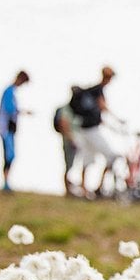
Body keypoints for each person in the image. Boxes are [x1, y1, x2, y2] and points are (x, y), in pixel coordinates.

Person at [70, 66, 121, 198]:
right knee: (111, 156)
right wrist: (118, 119)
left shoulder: (90, 91)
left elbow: (97, 113)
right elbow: (103, 107)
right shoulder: (98, 91)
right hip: (92, 131)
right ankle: (99, 187)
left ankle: (84, 190)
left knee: (86, 160)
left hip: (84, 130)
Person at [0, 71, 30, 191]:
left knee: (10, 155)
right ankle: (5, 183)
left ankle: (6, 182)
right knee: (9, 155)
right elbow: (10, 109)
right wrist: (22, 112)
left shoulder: (12, 92)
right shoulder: (9, 91)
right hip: (6, 129)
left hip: (10, 130)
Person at [52, 89, 80, 196]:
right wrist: (71, 139)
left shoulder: (75, 109)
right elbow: (63, 124)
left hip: (75, 140)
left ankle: (71, 188)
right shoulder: (66, 109)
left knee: (72, 164)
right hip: (69, 141)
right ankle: (67, 190)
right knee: (69, 164)